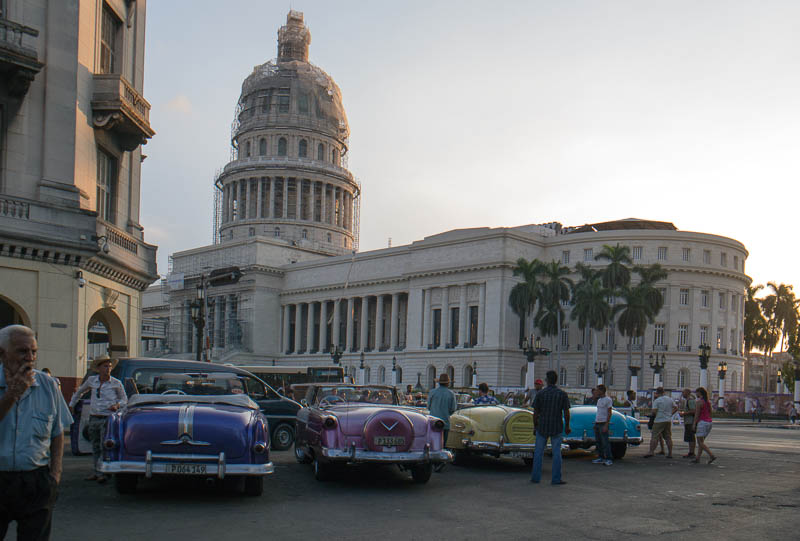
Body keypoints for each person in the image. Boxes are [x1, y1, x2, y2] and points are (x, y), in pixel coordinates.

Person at [0, 324, 73, 540]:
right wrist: (12, 395)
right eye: (22, 351)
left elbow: (57, 432)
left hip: (36, 481)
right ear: (2, 354)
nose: (29, 357)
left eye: (33, 351)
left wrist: (55, 474)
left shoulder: (48, 385)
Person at [68, 355, 127, 483]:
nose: (108, 369)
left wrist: (117, 405)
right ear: (99, 368)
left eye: (109, 366)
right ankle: (97, 470)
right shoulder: (92, 381)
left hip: (108, 418)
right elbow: (80, 391)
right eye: (105, 366)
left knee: (104, 444)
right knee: (95, 446)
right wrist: (72, 404)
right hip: (94, 417)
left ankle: (104, 472)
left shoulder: (116, 383)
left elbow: (124, 399)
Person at [531, 370, 570, 485]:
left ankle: (535, 477)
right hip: (556, 426)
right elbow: (566, 413)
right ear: (556, 380)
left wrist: (535, 426)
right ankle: (556, 478)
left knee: (538, 453)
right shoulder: (562, 394)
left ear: (546, 381)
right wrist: (567, 426)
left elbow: (535, 413)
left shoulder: (540, 394)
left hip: (542, 426)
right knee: (557, 453)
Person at [427, 374, 456, 471]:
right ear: (448, 383)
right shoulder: (451, 394)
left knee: (433, 443)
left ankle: (434, 462)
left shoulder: (432, 392)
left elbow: (428, 407)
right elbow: (453, 409)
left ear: (439, 383)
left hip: (433, 422)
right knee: (443, 444)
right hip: (445, 422)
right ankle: (440, 461)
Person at [643, 387, 676, 458]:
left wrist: (649, 415)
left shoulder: (657, 401)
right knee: (668, 437)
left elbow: (654, 412)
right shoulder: (669, 399)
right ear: (664, 392)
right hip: (667, 420)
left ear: (657, 393)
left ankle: (651, 451)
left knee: (654, 436)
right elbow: (676, 407)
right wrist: (670, 414)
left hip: (659, 420)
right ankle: (670, 453)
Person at [692, 387, 716, 464]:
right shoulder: (708, 402)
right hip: (709, 422)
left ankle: (711, 455)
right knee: (701, 442)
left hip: (702, 423)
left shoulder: (699, 402)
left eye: (697, 392)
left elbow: (697, 414)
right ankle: (697, 458)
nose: (696, 394)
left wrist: (694, 424)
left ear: (700, 393)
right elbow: (710, 413)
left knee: (700, 442)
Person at [592, 384, 613, 466]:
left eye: (597, 390)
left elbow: (609, 412)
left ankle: (608, 458)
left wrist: (606, 424)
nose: (596, 392)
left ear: (601, 391)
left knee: (605, 442)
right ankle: (601, 457)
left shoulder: (608, 400)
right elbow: (598, 412)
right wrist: (595, 422)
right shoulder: (599, 400)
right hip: (597, 422)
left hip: (603, 423)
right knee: (598, 441)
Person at [679, 388, 697, 458]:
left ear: (687, 393)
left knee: (691, 437)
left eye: (683, 392)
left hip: (690, 421)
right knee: (690, 437)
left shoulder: (690, 400)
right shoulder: (688, 400)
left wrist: (684, 413)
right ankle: (691, 452)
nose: (682, 394)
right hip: (688, 421)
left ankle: (692, 452)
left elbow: (693, 411)